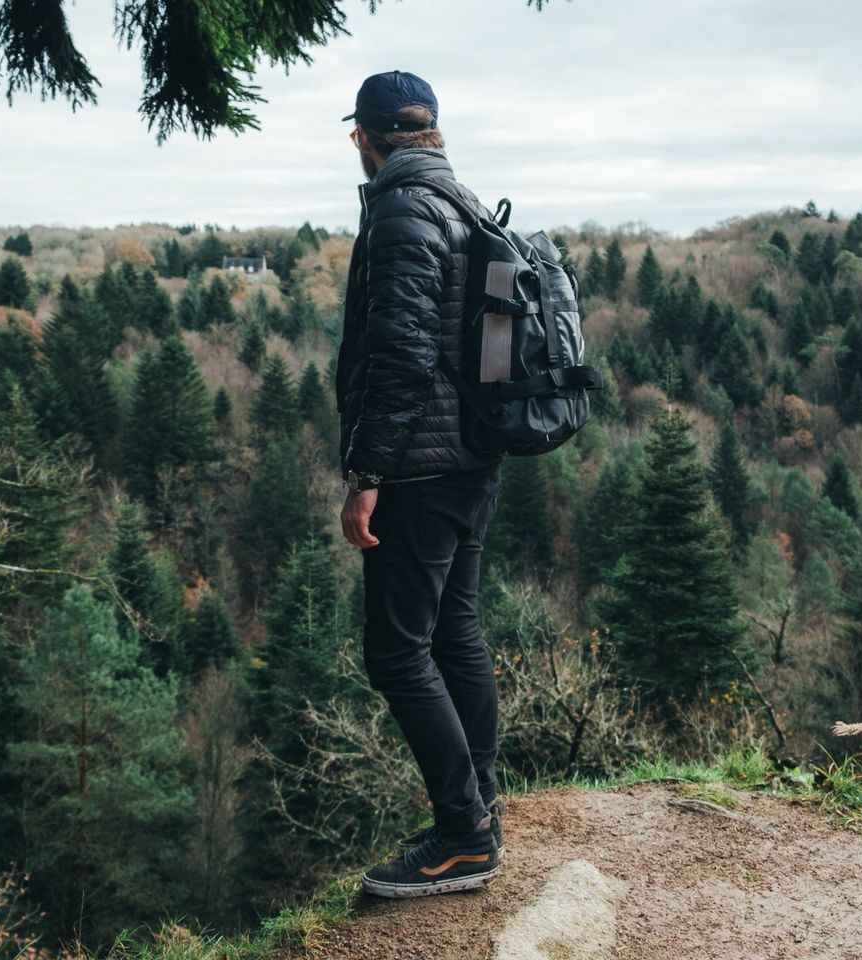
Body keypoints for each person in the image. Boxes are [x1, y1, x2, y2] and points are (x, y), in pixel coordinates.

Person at [334, 70, 506, 898]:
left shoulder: (400, 208)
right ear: (430, 131)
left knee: (398, 652)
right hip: (474, 457)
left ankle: (464, 834)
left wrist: (368, 474)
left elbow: (400, 357)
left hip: (420, 467)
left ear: (364, 136)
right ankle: (479, 804)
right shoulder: (459, 198)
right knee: (455, 636)